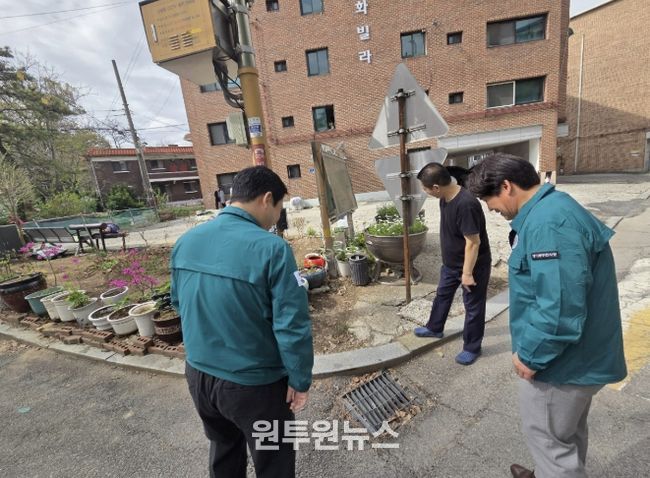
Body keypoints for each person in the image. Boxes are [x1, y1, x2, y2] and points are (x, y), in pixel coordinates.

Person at [467, 153, 627, 478]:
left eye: (488, 200)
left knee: (550, 443)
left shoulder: (548, 224)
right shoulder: (554, 208)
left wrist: (530, 355)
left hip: (562, 364)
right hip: (579, 357)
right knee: (566, 434)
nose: (491, 209)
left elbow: (560, 307)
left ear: (507, 186)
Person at [170, 166, 313, 478]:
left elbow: (178, 303)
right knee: (274, 462)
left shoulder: (187, 241)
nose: (277, 218)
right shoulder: (272, 248)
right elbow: (291, 324)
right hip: (254, 384)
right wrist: (299, 380)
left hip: (199, 375)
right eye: (279, 208)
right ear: (267, 199)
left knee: (224, 450)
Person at [414, 162, 492, 366]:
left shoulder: (466, 204)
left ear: (436, 187)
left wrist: (467, 273)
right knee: (442, 296)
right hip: (450, 264)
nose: (425, 192)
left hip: (473, 266)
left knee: (473, 307)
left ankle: (472, 347)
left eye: (425, 188)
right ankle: (435, 328)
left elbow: (473, 243)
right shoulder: (444, 198)